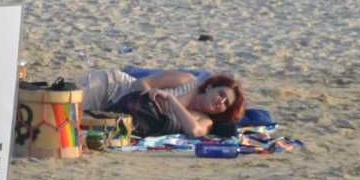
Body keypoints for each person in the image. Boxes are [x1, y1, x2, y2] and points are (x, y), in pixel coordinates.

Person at [77, 69, 245, 138]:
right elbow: (142, 82)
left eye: (225, 103)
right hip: (113, 87)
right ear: (209, 87)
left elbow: (194, 131)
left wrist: (170, 100)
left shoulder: (205, 120)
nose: (220, 102)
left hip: (112, 114)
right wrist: (149, 92)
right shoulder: (187, 81)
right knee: (59, 103)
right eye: (221, 94)